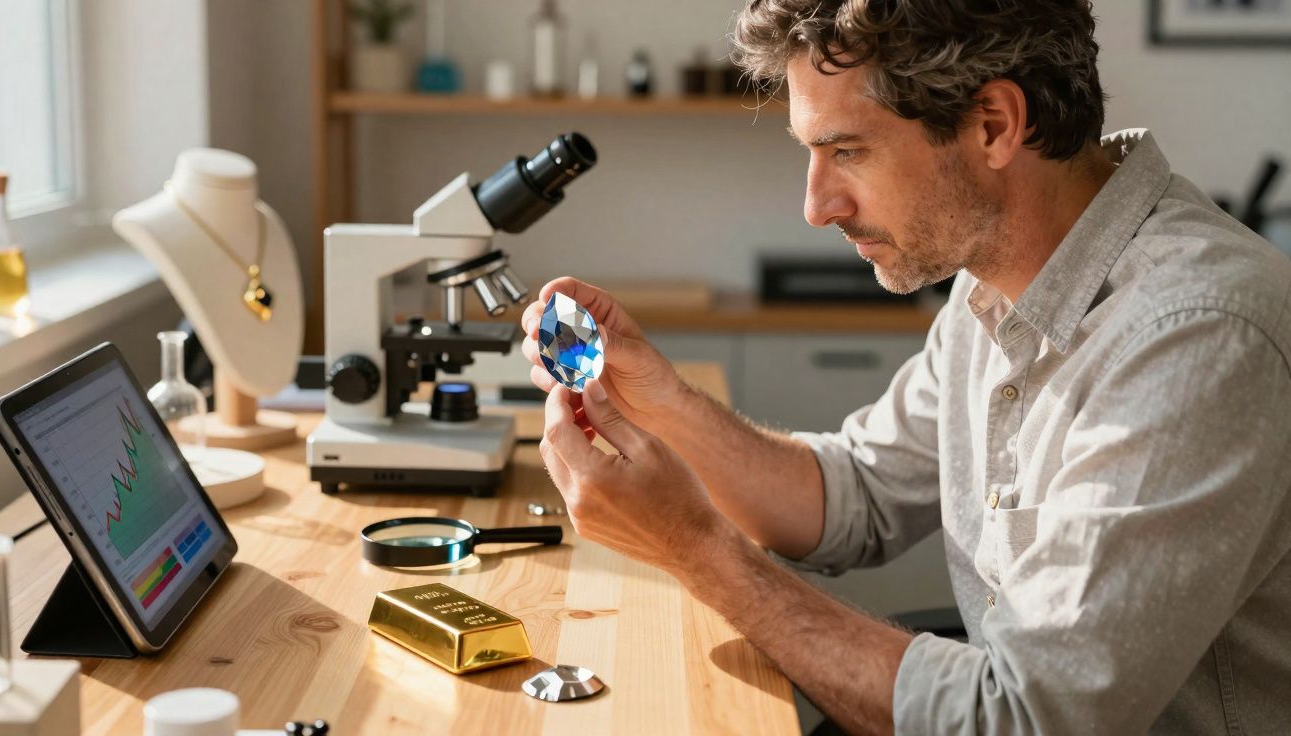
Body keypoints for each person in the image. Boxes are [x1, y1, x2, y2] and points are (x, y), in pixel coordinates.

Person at [519, 1, 1291, 733]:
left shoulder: (1196, 334)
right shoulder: (991, 281)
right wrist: (659, 401)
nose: (817, 206)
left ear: (993, 125)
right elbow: (854, 498)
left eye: (845, 151)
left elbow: (1025, 721)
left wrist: (695, 548)